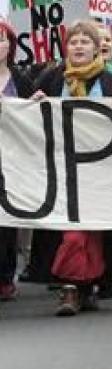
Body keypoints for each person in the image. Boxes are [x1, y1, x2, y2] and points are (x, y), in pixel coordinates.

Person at [31, 21, 112, 316]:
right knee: (70, 232)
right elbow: (30, 119)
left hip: (100, 170)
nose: (78, 47)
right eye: (73, 42)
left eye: (84, 42)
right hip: (61, 170)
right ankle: (69, 289)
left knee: (94, 231)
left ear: (95, 47)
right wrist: (33, 103)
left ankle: (88, 285)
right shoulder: (51, 79)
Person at [0, 20, 33, 301]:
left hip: (12, 161)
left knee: (6, 222)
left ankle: (5, 276)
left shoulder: (20, 79)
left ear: (11, 45)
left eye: (2, 39)